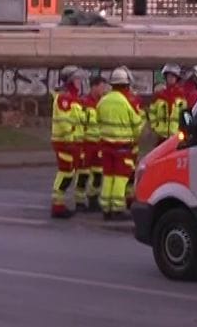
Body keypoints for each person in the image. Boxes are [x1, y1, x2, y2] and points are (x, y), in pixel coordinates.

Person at [95, 66, 145, 221]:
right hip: (123, 147)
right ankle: (117, 208)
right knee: (121, 178)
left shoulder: (103, 101)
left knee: (108, 176)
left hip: (106, 146)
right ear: (125, 84)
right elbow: (137, 126)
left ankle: (106, 207)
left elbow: (97, 121)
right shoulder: (127, 102)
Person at [49, 67, 86, 218]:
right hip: (65, 142)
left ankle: (59, 204)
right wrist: (71, 137)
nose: (80, 82)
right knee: (65, 173)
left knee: (70, 173)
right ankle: (57, 206)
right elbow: (64, 122)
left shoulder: (73, 97)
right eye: (77, 79)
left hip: (73, 142)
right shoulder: (65, 98)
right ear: (70, 81)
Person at [77, 71, 109, 210]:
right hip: (86, 143)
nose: (104, 90)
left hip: (100, 144)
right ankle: (79, 200)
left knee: (98, 173)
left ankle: (93, 198)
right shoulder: (84, 103)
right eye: (102, 87)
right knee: (83, 173)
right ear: (94, 87)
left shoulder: (104, 103)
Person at [146, 64, 184, 140]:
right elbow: (151, 112)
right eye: (168, 76)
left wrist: (185, 131)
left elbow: (187, 115)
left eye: (173, 76)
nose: (170, 78)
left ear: (177, 78)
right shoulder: (159, 96)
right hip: (161, 137)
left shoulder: (182, 96)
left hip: (176, 137)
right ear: (165, 78)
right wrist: (155, 126)